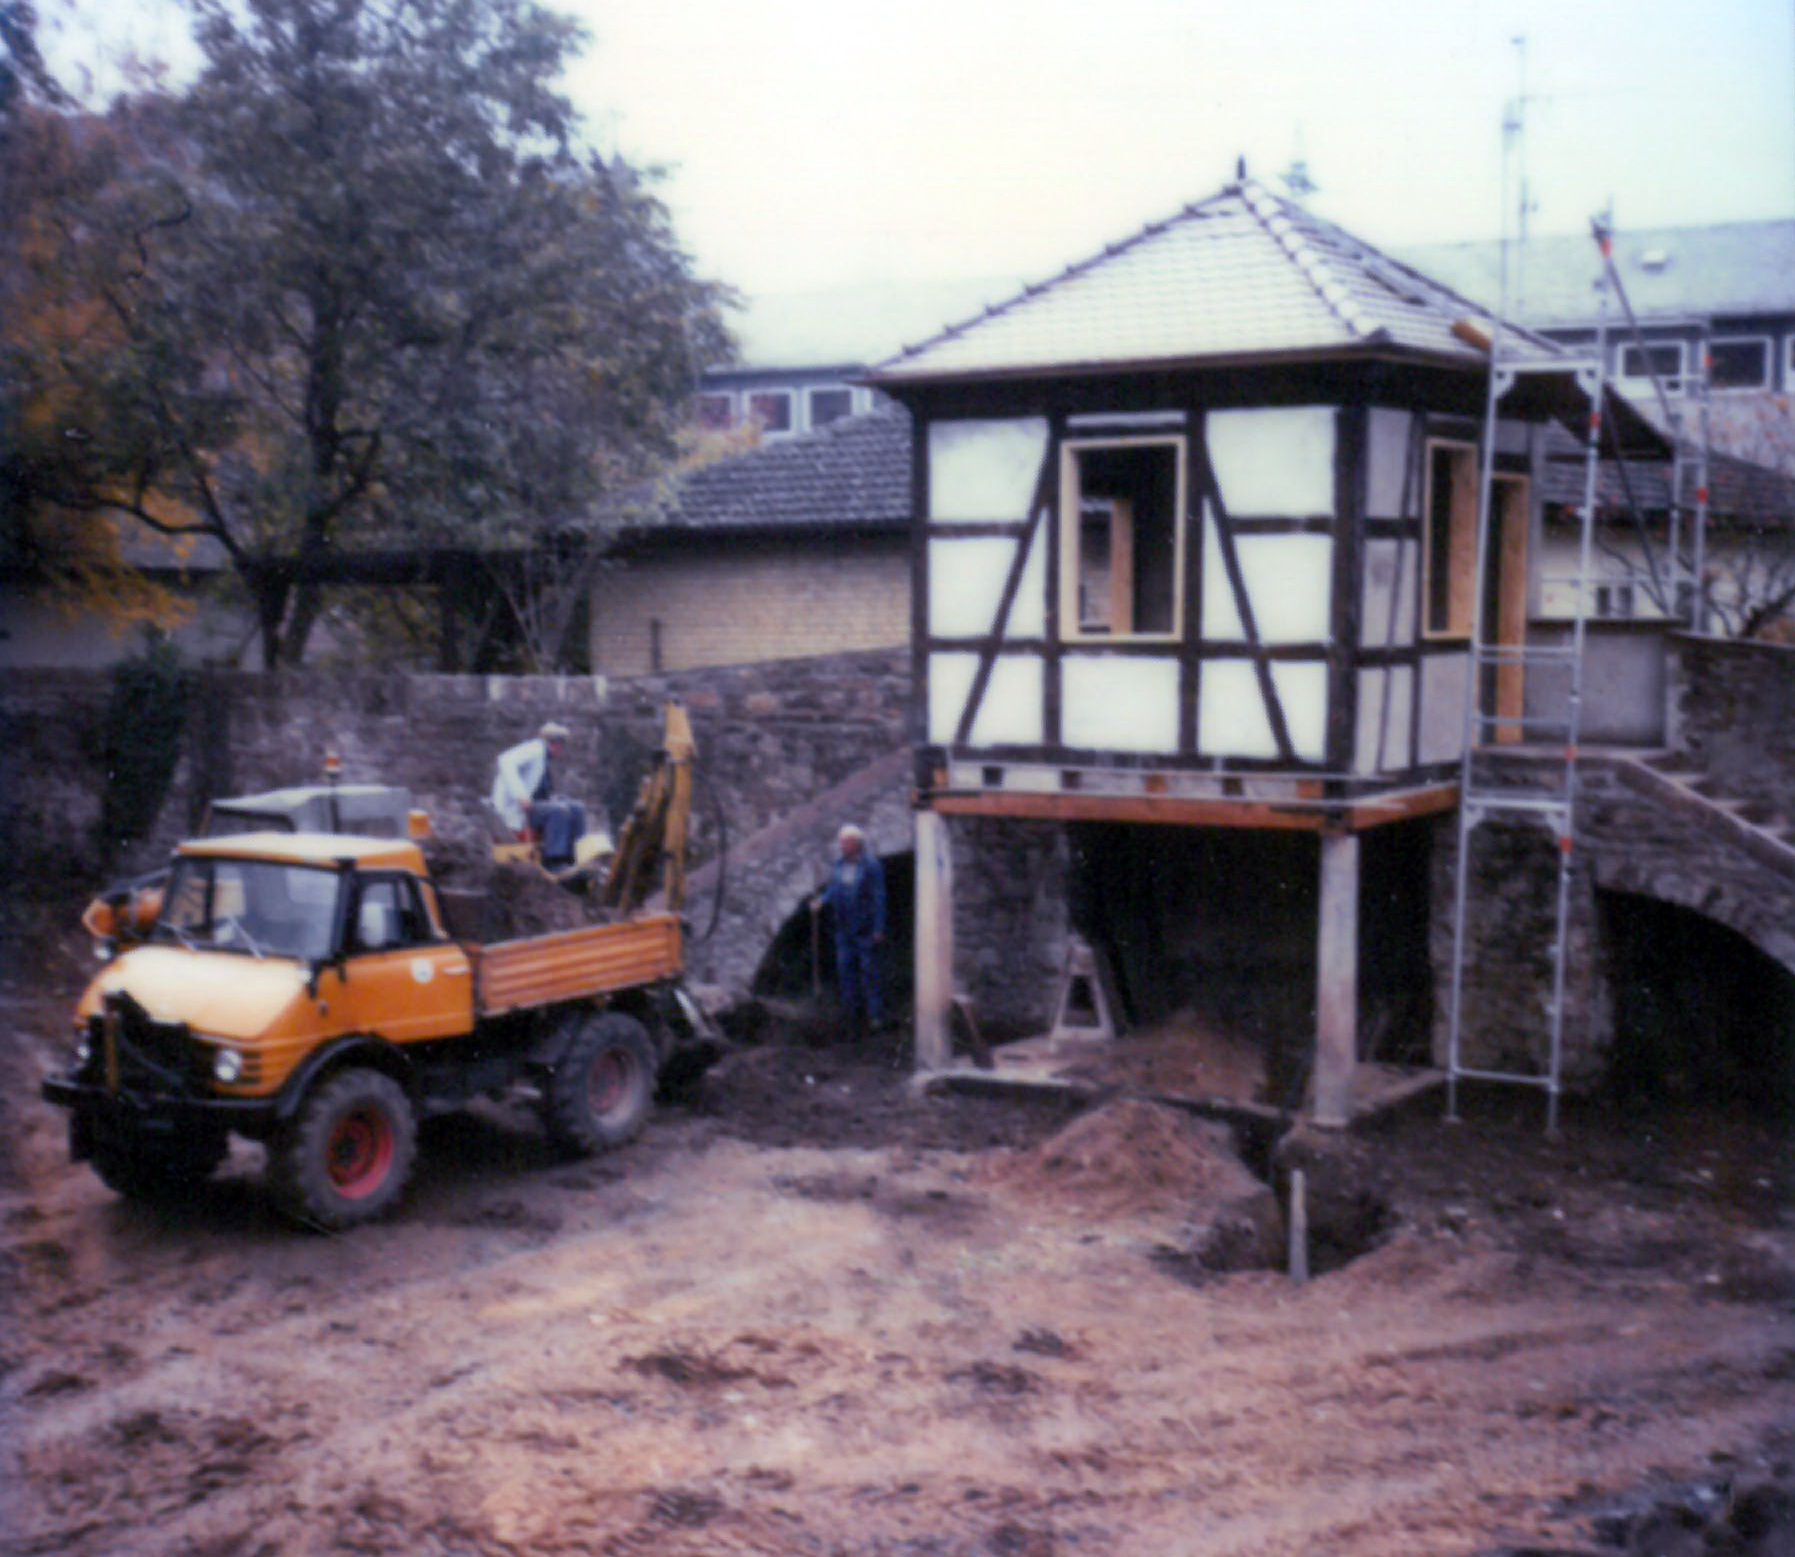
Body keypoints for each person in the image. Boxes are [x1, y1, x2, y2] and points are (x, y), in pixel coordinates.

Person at [814, 823, 886, 1039]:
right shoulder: (838, 865)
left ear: (856, 843)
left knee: (869, 973)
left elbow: (879, 897)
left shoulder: (871, 866)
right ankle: (851, 1017)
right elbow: (835, 889)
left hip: (864, 929)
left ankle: (875, 1016)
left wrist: (879, 927)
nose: (842, 846)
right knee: (846, 973)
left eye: (846, 842)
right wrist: (822, 901)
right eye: (841, 842)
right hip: (843, 929)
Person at [491, 721, 588, 868]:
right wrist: (521, 796)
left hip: (533, 806)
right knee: (559, 812)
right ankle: (555, 861)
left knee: (577, 808)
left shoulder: (543, 758)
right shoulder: (535, 749)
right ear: (556, 745)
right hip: (515, 810)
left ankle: (576, 856)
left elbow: (538, 789)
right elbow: (505, 761)